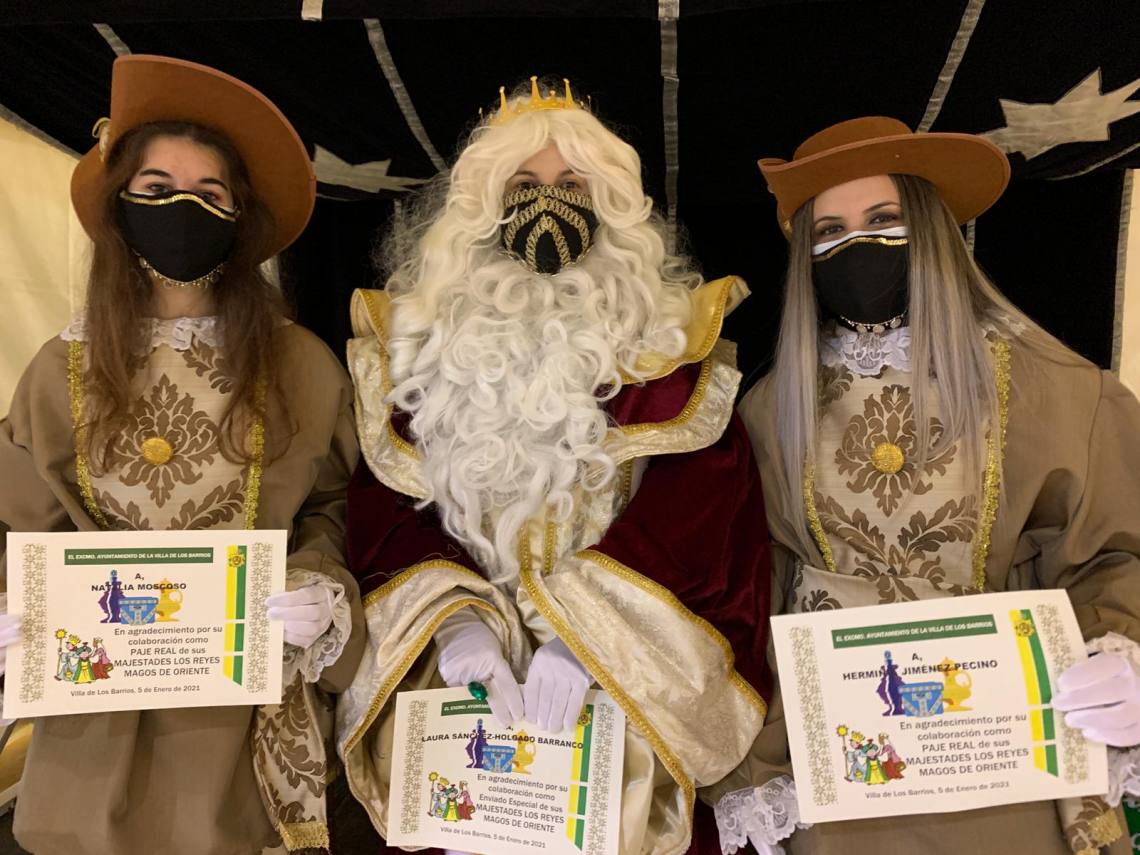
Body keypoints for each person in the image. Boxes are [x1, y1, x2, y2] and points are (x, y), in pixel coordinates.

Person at [336, 77, 774, 854]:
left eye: (572, 185)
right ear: (479, 207)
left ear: (611, 205)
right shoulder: (413, 357)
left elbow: (708, 520)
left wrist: (589, 642)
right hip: (465, 715)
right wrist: (454, 623)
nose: (548, 204)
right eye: (522, 185)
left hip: (624, 708)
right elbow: (383, 518)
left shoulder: (674, 360)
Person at [732, 116, 1140, 854]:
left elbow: (1116, 551)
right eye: (829, 231)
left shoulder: (1056, 390)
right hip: (844, 766)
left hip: (1003, 756)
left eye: (883, 219)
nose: (857, 245)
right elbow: (757, 590)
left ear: (928, 229)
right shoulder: (769, 412)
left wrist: (1124, 653)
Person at [0, 55, 365, 854]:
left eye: (209, 193)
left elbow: (331, 508)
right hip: (94, 700)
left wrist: (318, 586)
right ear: (120, 203)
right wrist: (13, 599)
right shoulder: (60, 368)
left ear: (240, 216)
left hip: (241, 706)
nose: (183, 208)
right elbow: (19, 520)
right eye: (158, 187)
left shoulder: (301, 366)